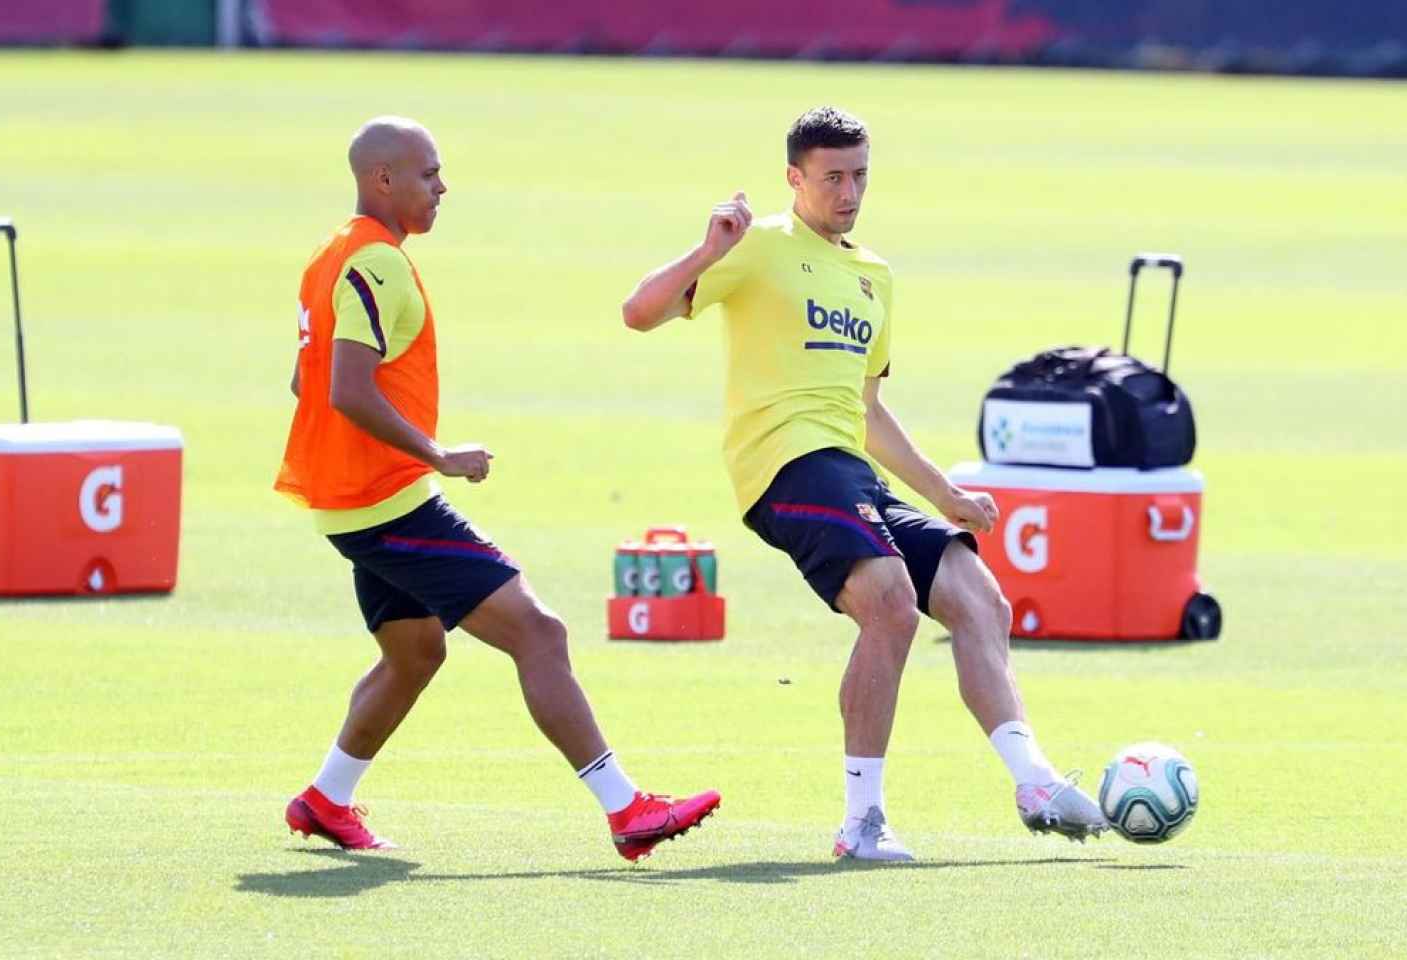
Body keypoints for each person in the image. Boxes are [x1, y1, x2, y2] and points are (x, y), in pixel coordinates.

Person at [620, 106, 1105, 861]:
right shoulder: (757, 248)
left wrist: (946, 496)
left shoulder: (875, 277)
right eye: (832, 177)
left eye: (860, 176)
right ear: (795, 179)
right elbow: (638, 313)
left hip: (850, 467)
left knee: (978, 595)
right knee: (892, 604)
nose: (849, 193)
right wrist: (705, 249)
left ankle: (1032, 780)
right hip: (784, 461)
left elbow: (868, 410)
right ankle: (862, 821)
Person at [276, 116, 718, 861]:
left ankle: (326, 798)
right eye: (428, 173)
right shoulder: (376, 264)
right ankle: (627, 809)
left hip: (350, 498)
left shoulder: (330, 255)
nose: (442, 186)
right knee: (539, 633)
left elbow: (303, 380)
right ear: (382, 179)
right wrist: (436, 454)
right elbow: (345, 389)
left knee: (416, 653)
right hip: (387, 500)